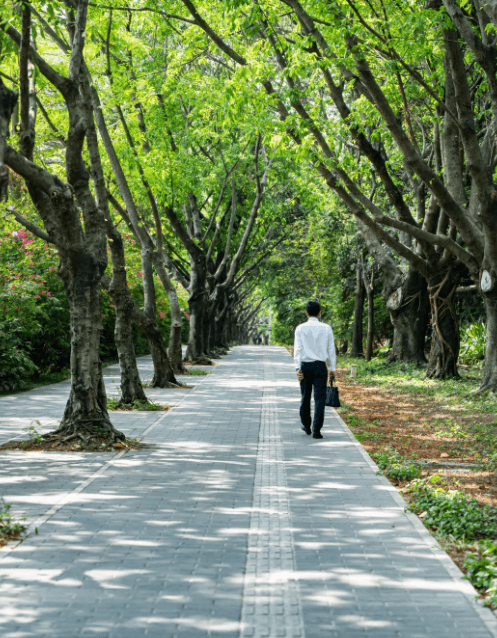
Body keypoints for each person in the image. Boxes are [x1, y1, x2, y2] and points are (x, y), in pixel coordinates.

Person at [294, 300, 336, 439]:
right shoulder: (326, 328)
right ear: (319, 313)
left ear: (306, 313)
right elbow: (331, 350)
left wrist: (297, 368)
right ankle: (317, 430)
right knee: (320, 399)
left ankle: (306, 425)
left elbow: (297, 350)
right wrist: (332, 368)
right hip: (320, 366)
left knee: (305, 397)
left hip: (305, 366)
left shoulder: (300, 328)